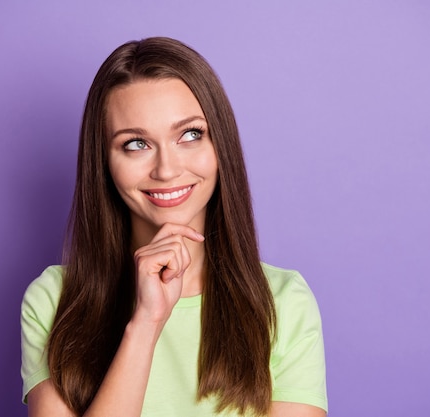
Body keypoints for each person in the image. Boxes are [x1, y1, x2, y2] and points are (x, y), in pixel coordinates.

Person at [20, 36, 327, 417]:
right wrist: (146, 322)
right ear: (103, 162)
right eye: (135, 144)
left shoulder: (283, 302)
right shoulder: (54, 301)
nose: (166, 170)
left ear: (221, 147)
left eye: (190, 135)